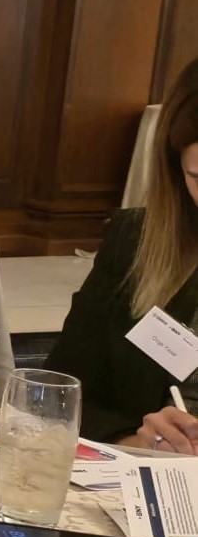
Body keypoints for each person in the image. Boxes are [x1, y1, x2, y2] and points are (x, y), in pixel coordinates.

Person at [46, 58, 198, 452]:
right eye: (197, 178)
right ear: (175, 170)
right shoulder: (134, 244)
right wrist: (134, 440)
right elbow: (59, 390)